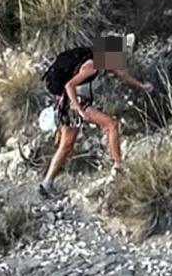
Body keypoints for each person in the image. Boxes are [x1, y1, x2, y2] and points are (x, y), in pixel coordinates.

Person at [39, 35, 152, 198]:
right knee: (111, 125)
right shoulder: (91, 66)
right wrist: (79, 109)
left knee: (67, 145)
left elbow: (121, 73)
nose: (121, 58)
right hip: (74, 104)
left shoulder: (102, 61)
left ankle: (46, 183)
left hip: (73, 104)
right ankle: (119, 166)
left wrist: (142, 86)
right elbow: (69, 85)